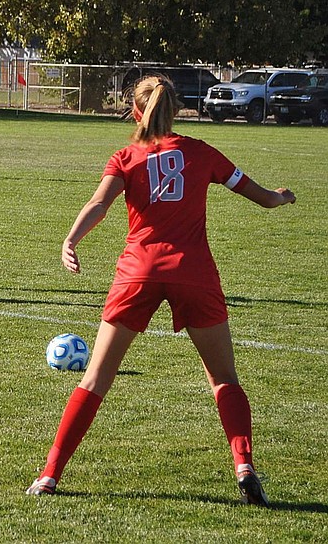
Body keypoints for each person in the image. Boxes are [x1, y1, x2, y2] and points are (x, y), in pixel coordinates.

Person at [26, 76, 296, 507]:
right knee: (223, 377)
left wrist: (71, 240)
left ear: (136, 112)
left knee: (96, 377)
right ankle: (244, 464)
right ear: (177, 111)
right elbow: (261, 198)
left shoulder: (126, 157)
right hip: (194, 272)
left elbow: (99, 203)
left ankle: (49, 475)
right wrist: (282, 197)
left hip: (139, 272)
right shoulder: (202, 152)